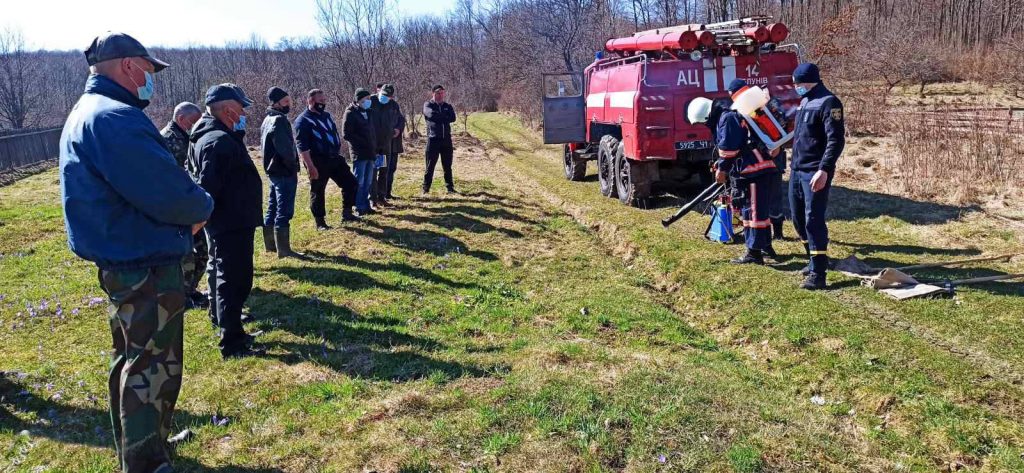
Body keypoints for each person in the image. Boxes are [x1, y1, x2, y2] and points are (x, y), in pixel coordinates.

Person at [60, 32, 213, 473]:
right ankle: (146, 461)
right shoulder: (116, 118)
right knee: (152, 367)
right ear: (128, 66)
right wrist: (201, 207)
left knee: (128, 359)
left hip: (122, 258)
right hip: (144, 261)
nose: (151, 80)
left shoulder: (87, 112)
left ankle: (141, 444)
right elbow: (167, 189)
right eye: (149, 70)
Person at [190, 83, 265, 358]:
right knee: (232, 282)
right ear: (227, 109)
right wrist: (197, 223)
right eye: (241, 108)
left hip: (234, 221)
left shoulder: (220, 135)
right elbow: (208, 187)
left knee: (236, 279)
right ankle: (231, 343)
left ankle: (234, 331)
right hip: (229, 224)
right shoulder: (216, 141)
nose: (244, 112)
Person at [790, 63, 845, 290]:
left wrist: (824, 169)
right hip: (797, 169)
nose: (795, 88)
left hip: (815, 171)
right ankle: (811, 258)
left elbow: (835, 140)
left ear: (807, 81)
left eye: (797, 84)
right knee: (797, 218)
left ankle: (818, 273)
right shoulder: (804, 101)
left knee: (813, 220)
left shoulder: (829, 102)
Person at [715, 79, 780, 265]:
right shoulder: (756, 108)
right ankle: (766, 247)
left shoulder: (734, 115)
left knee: (752, 212)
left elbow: (729, 148)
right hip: (766, 165)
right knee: (761, 211)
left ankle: (754, 253)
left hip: (751, 170)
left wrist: (722, 169)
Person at [160, 102, 210, 309]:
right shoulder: (166, 140)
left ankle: (190, 290)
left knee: (203, 253)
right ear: (181, 119)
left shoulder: (187, 137)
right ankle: (181, 298)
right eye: (194, 121)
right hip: (177, 210)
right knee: (186, 256)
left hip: (191, 205)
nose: (197, 125)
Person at [295, 88, 359, 229]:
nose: (323, 103)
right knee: (318, 190)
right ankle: (320, 222)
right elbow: (302, 147)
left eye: (324, 100)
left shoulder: (327, 116)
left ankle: (347, 213)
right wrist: (310, 166)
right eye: (320, 101)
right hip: (317, 161)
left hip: (335, 158)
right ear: (311, 101)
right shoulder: (302, 120)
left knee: (351, 183)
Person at [260, 86, 301, 257]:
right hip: (283, 170)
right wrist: (292, 166)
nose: (288, 104)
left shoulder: (267, 119)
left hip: (273, 170)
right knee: (284, 210)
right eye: (285, 102)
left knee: (273, 206)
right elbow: (285, 149)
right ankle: (284, 249)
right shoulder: (279, 120)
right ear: (275, 103)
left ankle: (271, 246)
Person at [342, 88, 378, 215]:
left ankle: (366, 205)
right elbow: (346, 134)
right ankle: (358, 206)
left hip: (370, 152)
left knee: (368, 181)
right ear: (358, 100)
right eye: (365, 99)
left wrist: (374, 146)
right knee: (359, 181)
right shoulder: (350, 113)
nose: (368, 101)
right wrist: (362, 142)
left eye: (369, 99)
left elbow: (372, 132)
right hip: (359, 153)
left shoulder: (369, 112)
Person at [370, 83, 404, 207]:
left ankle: (381, 196)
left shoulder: (393, 105)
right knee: (373, 172)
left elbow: (401, 119)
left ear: (391, 97)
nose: (384, 98)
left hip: (385, 144)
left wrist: (397, 129)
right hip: (373, 144)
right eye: (383, 95)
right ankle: (372, 199)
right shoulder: (371, 101)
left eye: (387, 96)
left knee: (383, 170)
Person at [422, 85, 457, 194]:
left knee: (447, 165)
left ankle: (450, 188)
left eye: (442, 93)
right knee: (430, 165)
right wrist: (444, 117)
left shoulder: (447, 105)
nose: (440, 95)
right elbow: (431, 115)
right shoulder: (428, 105)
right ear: (433, 93)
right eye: (438, 93)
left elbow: (453, 117)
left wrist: (441, 116)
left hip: (446, 139)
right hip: (433, 139)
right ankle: (426, 188)